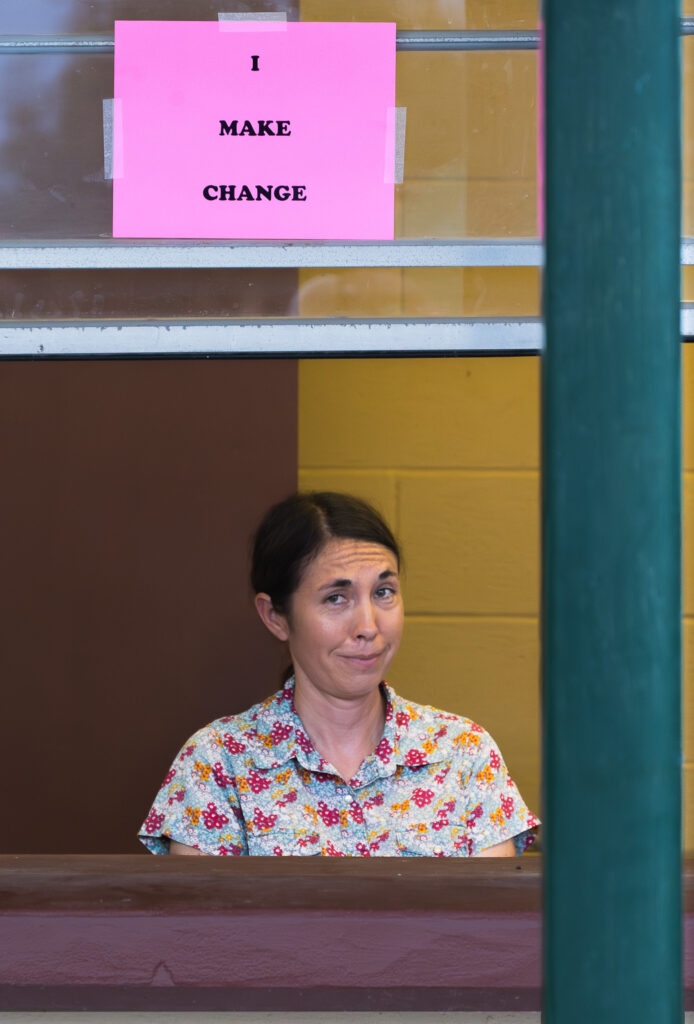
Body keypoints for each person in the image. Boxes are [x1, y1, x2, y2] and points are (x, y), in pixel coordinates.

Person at [139, 492, 539, 857]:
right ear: (275, 616)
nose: (368, 625)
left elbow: (491, 930)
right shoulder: (218, 762)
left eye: (384, 592)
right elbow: (204, 932)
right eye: (336, 598)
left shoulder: (463, 754)